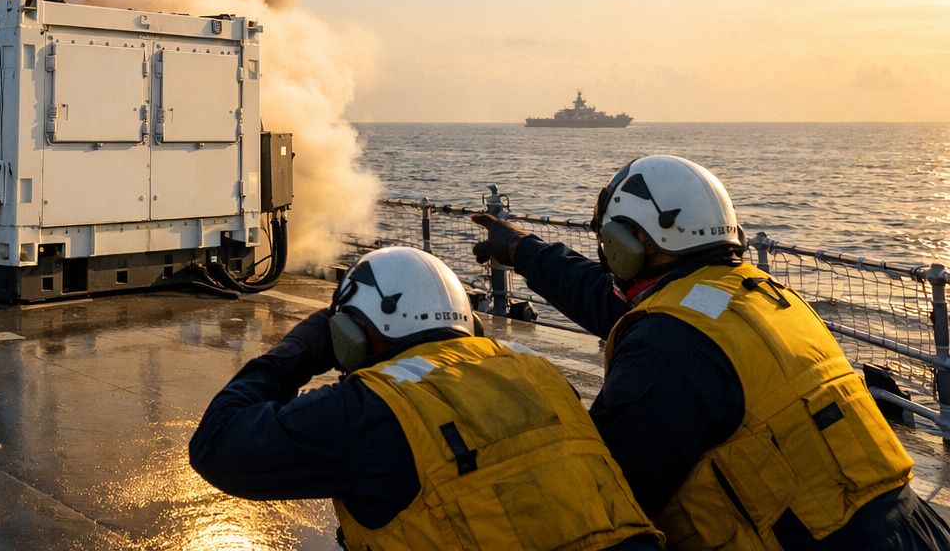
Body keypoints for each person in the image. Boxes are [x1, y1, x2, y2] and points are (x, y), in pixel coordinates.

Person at [471, 154, 950, 550]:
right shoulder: (754, 296)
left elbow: (607, 500)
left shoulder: (666, 349)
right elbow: (611, 303)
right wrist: (520, 248)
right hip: (913, 529)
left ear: (630, 243)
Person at [190, 246, 662, 550]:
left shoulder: (372, 409)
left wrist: (295, 352)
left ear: (350, 334)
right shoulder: (538, 372)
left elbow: (217, 446)